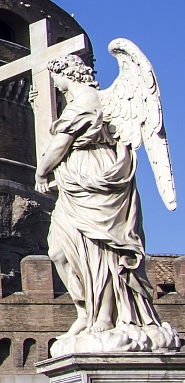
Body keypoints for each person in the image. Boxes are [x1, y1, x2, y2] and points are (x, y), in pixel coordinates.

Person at [36, 54, 156, 338]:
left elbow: (60, 145)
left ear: (67, 73)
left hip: (95, 174)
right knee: (59, 250)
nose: (53, 83)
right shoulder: (76, 104)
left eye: (55, 76)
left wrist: (41, 172)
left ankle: (104, 315)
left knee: (101, 249)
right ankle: (85, 311)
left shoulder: (88, 100)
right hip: (75, 180)